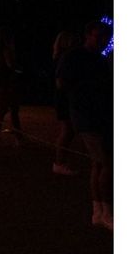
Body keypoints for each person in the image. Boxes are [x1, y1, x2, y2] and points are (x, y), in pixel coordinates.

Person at [57, 20, 113, 229]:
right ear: (88, 35)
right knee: (107, 163)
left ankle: (99, 211)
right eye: (98, 37)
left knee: (98, 163)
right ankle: (104, 211)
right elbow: (62, 84)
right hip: (86, 116)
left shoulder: (99, 59)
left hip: (98, 116)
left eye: (105, 38)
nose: (102, 41)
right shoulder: (74, 56)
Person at [0, 27, 26, 147]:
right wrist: (20, 71)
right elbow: (11, 65)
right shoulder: (6, 50)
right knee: (12, 109)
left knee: (2, 109)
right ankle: (16, 138)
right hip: (6, 81)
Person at [51, 30, 81, 176]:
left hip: (63, 97)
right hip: (65, 98)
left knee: (68, 130)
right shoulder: (66, 58)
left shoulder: (59, 57)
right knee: (67, 130)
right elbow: (60, 82)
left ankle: (61, 161)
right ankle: (59, 162)